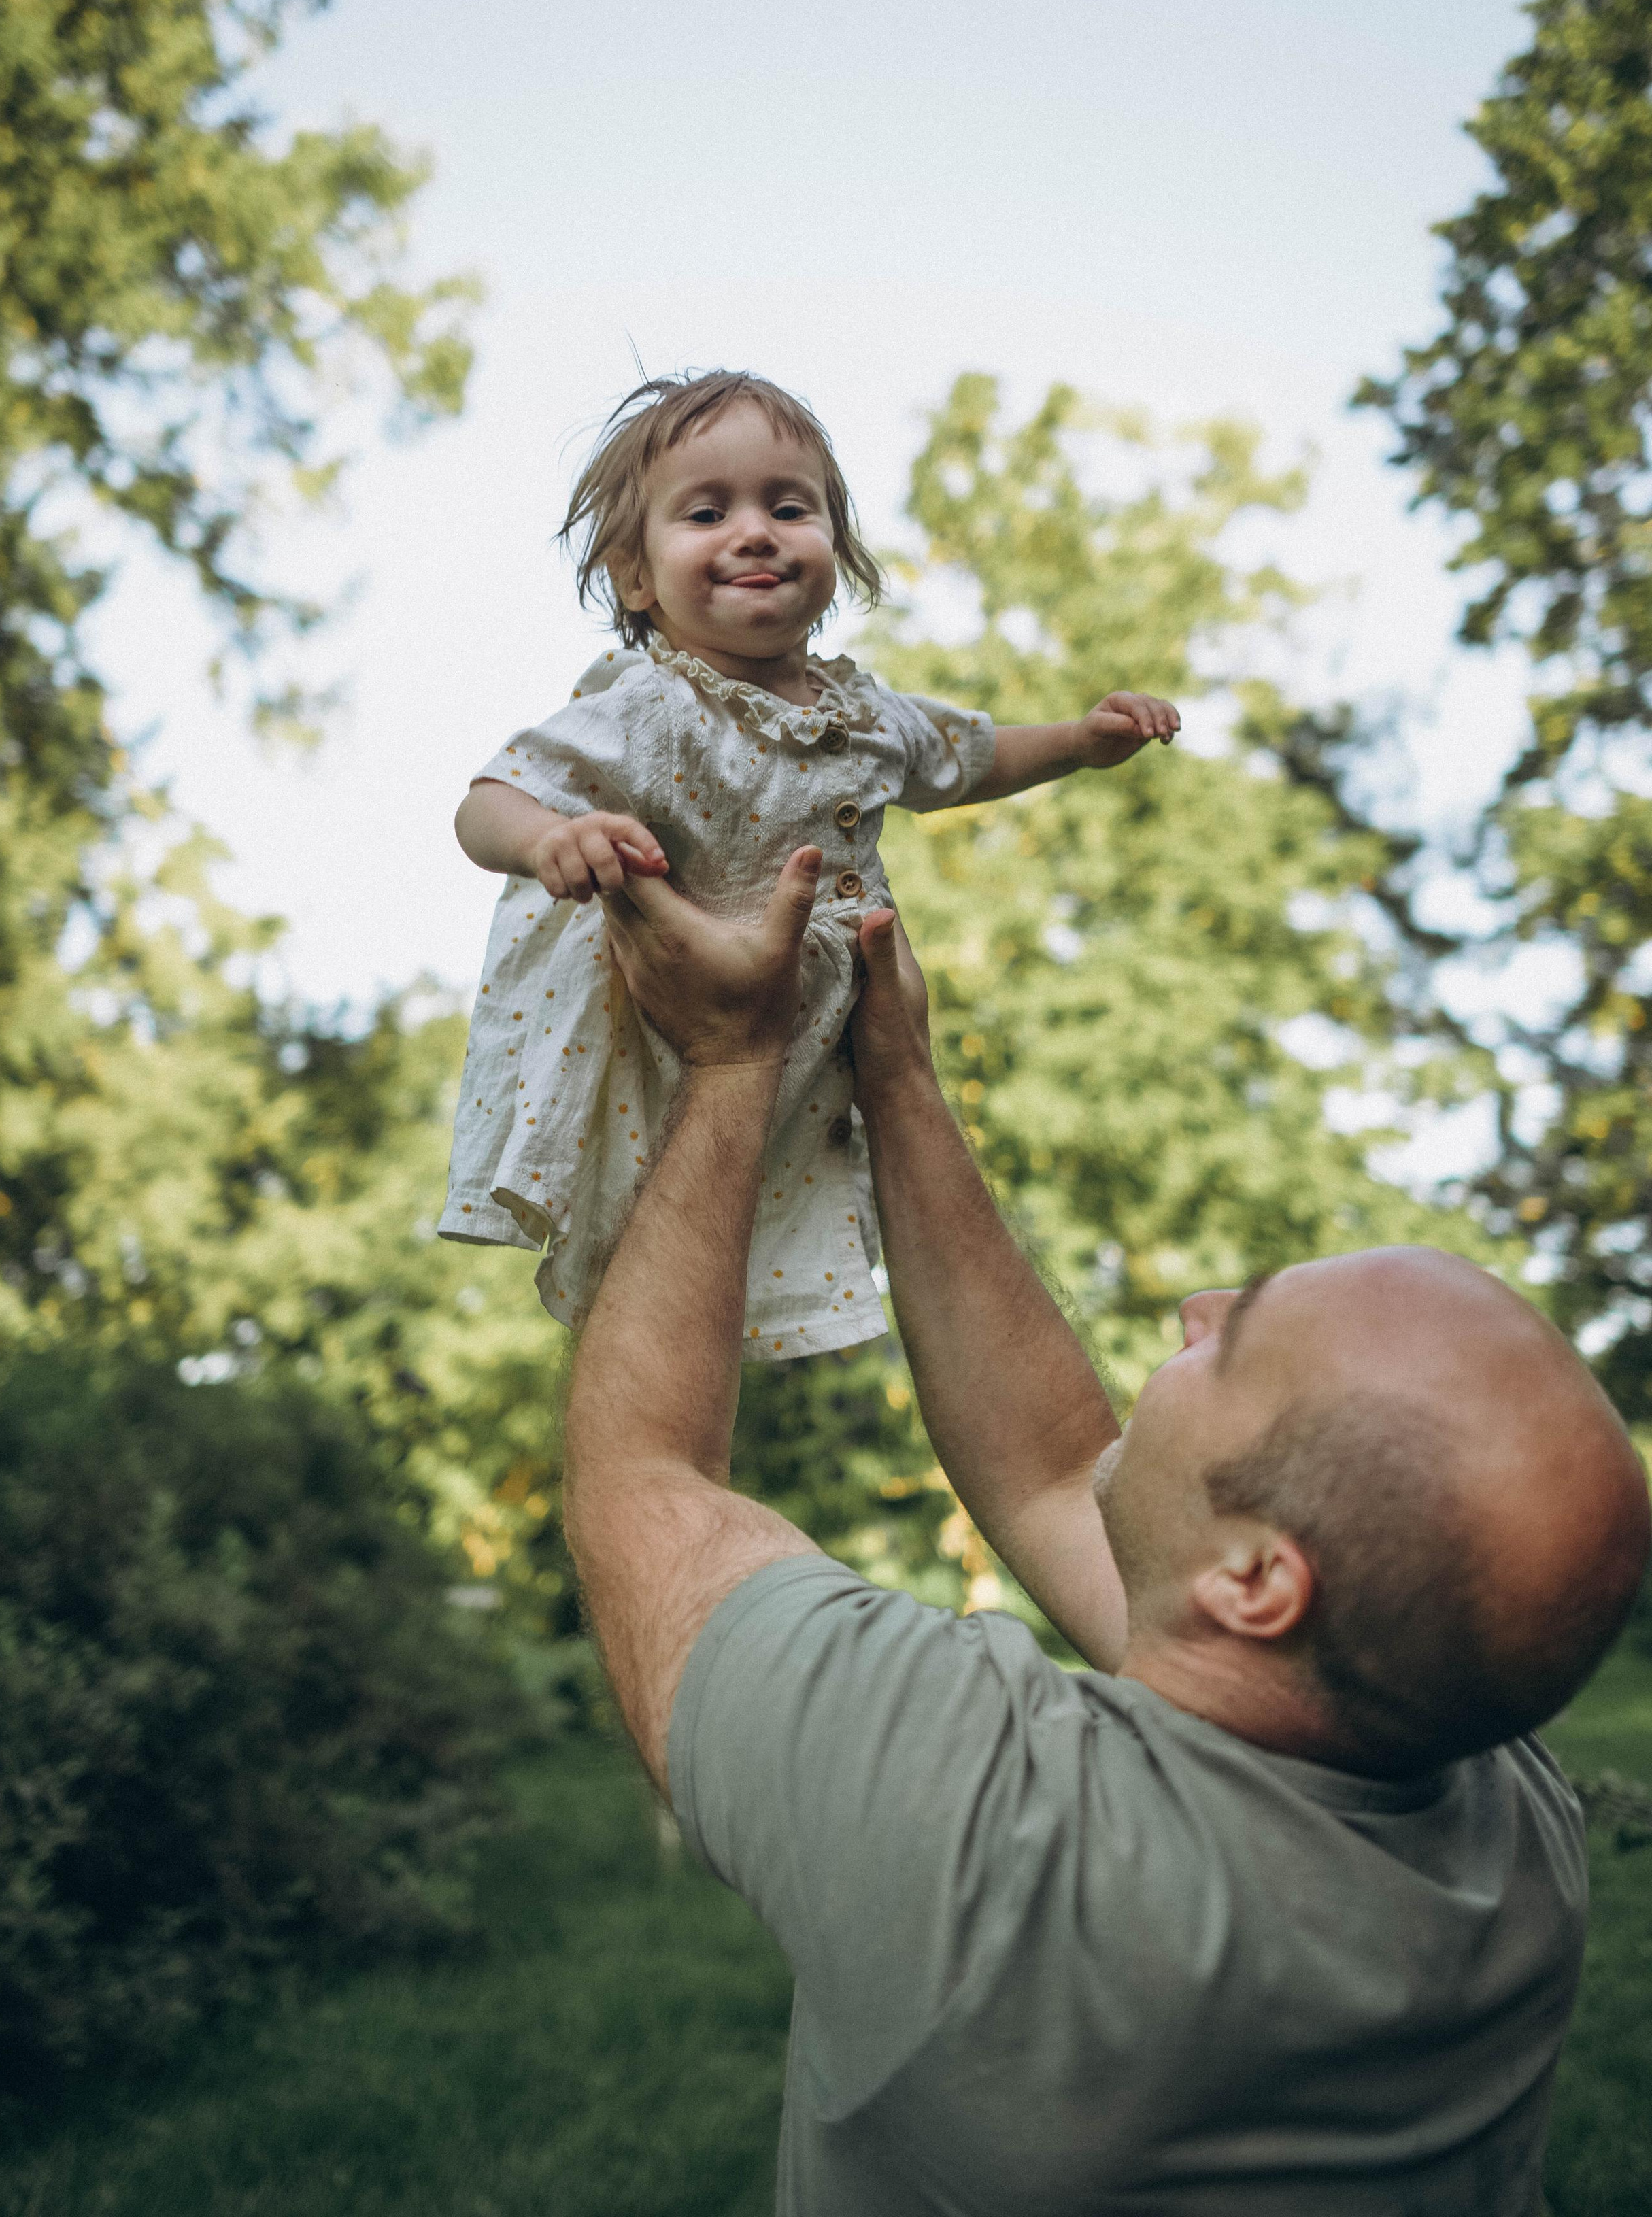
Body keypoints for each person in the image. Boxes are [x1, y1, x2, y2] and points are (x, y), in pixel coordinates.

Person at [561, 847, 1651, 2217]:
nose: (1194, 1303)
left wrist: (729, 1066)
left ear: (1259, 1583)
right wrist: (895, 1084)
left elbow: (644, 1491)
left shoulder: (989, 1832)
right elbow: (1060, 1477)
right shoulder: (1500, 1817)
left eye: (1237, 1340)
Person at [439, 368, 1178, 1350]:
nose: (755, 530)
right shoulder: (653, 710)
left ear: (834, 544)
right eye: (708, 511)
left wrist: (1081, 743)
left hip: (820, 1034)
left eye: (790, 506)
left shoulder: (866, 714)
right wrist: (550, 839)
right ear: (635, 576)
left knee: (777, 1232)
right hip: (670, 1030)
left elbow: (970, 757)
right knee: (650, 1247)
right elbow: (489, 800)